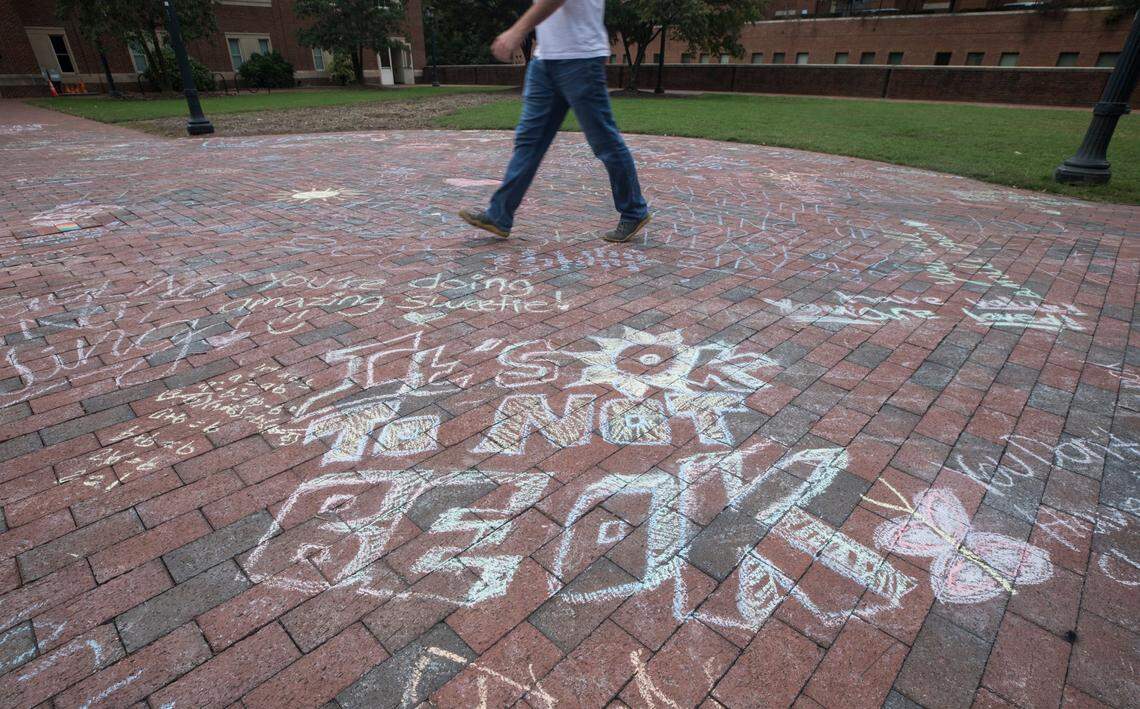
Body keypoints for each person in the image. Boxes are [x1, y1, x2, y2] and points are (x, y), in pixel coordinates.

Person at [458, 0, 651, 243]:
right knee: (529, 141)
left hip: (581, 57)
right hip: (545, 58)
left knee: (604, 140)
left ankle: (634, 210)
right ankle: (499, 215)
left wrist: (517, 30)